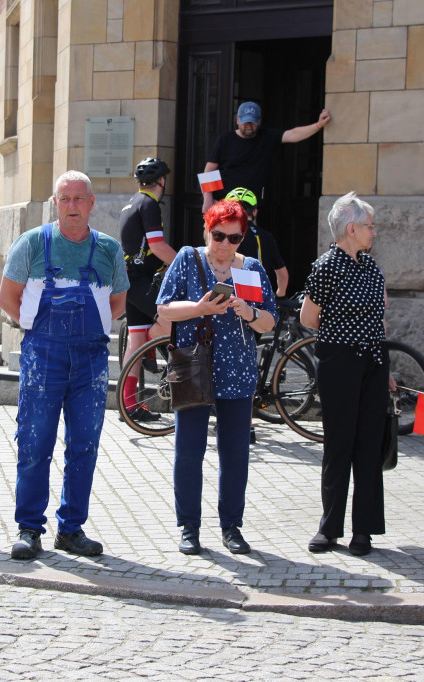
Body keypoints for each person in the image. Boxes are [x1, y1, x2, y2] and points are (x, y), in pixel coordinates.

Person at [0, 170, 129, 560]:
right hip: (43, 356)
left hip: (91, 359)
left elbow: (118, 304)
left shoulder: (107, 249)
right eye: (64, 199)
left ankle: (71, 530)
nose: (72, 206)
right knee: (35, 443)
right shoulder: (33, 243)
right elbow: (8, 297)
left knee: (84, 445)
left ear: (91, 204)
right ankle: (29, 529)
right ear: (55, 203)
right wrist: (35, 328)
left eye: (79, 199)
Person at [156, 200, 276, 555]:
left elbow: (270, 321)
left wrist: (249, 311)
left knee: (235, 452)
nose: (225, 244)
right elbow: (164, 307)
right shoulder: (188, 260)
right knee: (189, 450)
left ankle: (231, 527)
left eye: (234, 238)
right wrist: (201, 308)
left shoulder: (251, 269)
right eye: (218, 235)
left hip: (237, 371)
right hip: (195, 367)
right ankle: (189, 527)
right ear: (206, 230)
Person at [300, 192, 390, 557]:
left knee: (369, 446)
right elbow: (309, 318)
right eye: (369, 226)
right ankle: (329, 528)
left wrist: (386, 369)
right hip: (339, 363)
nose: (374, 232)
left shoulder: (371, 267)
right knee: (339, 446)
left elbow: (380, 319)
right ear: (351, 229)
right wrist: (341, 334)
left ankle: (363, 531)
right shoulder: (326, 266)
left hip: (373, 361)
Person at [119, 157, 177, 420]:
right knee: (174, 322)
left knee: (136, 342)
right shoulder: (149, 204)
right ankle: (155, 352)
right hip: (143, 281)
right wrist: (186, 263)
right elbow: (157, 246)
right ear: (161, 181)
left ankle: (127, 405)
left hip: (131, 281)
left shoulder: (130, 203)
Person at [202, 101, 331, 213]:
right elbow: (209, 170)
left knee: (248, 240)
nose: (249, 125)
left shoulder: (266, 137)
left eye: (252, 122)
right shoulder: (225, 140)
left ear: (260, 121)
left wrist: (318, 125)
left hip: (249, 207)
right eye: (245, 121)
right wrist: (208, 199)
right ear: (237, 120)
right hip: (223, 203)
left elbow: (292, 134)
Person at [225, 187, 289, 298]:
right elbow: (283, 274)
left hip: (233, 300)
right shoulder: (267, 236)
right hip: (260, 300)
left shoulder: (225, 236)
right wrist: (279, 296)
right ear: (255, 211)